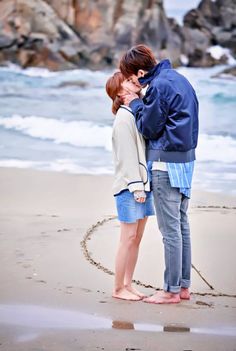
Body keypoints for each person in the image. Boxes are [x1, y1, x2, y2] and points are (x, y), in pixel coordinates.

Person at [119, 44, 199, 304]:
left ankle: (171, 291)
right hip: (186, 161)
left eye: (131, 79)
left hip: (166, 163)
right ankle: (183, 286)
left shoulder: (158, 87)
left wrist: (135, 102)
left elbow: (149, 128)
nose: (131, 84)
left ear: (140, 72)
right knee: (181, 225)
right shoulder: (178, 79)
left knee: (170, 231)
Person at [106, 71, 155, 301]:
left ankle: (128, 284)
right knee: (127, 239)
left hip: (142, 186)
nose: (133, 80)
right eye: (127, 80)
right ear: (119, 91)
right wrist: (137, 187)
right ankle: (118, 289)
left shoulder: (134, 112)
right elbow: (126, 157)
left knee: (137, 238)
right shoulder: (123, 119)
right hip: (129, 188)